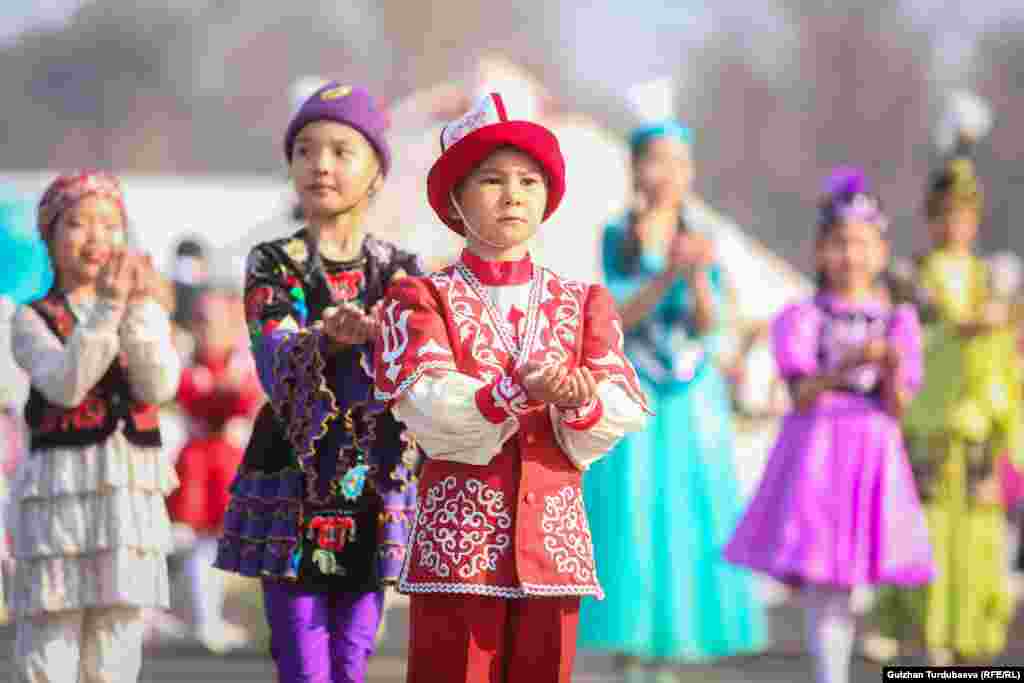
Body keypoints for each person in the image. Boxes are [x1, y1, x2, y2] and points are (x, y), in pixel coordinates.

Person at [374, 92, 650, 683]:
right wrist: (507, 394)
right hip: (459, 542)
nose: (513, 194)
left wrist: (580, 401)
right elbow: (424, 402)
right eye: (492, 179)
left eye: (529, 180)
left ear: (548, 198)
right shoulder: (422, 298)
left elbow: (619, 405)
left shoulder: (583, 303)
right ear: (455, 198)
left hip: (554, 543)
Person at [213, 82, 423, 683]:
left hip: (373, 473)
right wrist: (325, 340)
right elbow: (273, 354)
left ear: (377, 171)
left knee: (354, 654)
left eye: (339, 150)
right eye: (305, 150)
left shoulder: (400, 269)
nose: (320, 165)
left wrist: (378, 339)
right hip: (291, 474)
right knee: (303, 659)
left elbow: (415, 362)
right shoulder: (272, 261)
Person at [724, 169, 934, 683]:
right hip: (818, 452)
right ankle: (828, 673)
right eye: (839, 243)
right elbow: (799, 394)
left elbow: (899, 405)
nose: (850, 256)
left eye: (861, 244)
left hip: (871, 450)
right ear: (820, 251)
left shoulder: (897, 321)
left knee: (850, 582)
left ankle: (837, 667)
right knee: (824, 577)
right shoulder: (803, 316)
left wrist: (887, 368)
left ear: (881, 252)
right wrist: (848, 363)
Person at [577, 121, 765, 679]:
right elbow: (615, 314)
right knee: (633, 512)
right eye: (656, 160)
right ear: (636, 168)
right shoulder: (618, 233)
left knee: (687, 509)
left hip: (691, 394)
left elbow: (710, 323)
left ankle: (673, 651)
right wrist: (668, 276)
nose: (668, 174)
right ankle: (632, 651)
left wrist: (699, 275)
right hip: (634, 385)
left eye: (679, 163)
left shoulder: (704, 233)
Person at [8, 170, 181, 681]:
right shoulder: (31, 318)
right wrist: (106, 308)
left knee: (117, 640)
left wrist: (141, 309)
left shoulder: (140, 310)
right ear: (50, 236)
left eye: (109, 226)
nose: (96, 239)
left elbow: (159, 386)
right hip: (60, 493)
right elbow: (66, 385)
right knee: (50, 638)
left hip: (127, 492)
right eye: (78, 224)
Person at [874, 146, 1022, 665]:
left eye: (963, 216)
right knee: (929, 529)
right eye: (944, 215)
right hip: (929, 420)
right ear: (931, 219)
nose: (954, 225)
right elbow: (918, 333)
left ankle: (969, 636)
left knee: (979, 533)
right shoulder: (911, 275)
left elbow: (1006, 352)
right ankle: (927, 635)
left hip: (979, 419)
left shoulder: (994, 279)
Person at [166, 288, 262, 651]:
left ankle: (224, 617)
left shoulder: (242, 362)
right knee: (201, 544)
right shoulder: (189, 363)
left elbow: (246, 398)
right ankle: (205, 620)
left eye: (220, 323)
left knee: (231, 544)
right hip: (199, 461)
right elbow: (195, 397)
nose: (213, 331)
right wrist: (223, 393)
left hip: (229, 460)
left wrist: (226, 392)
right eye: (207, 324)